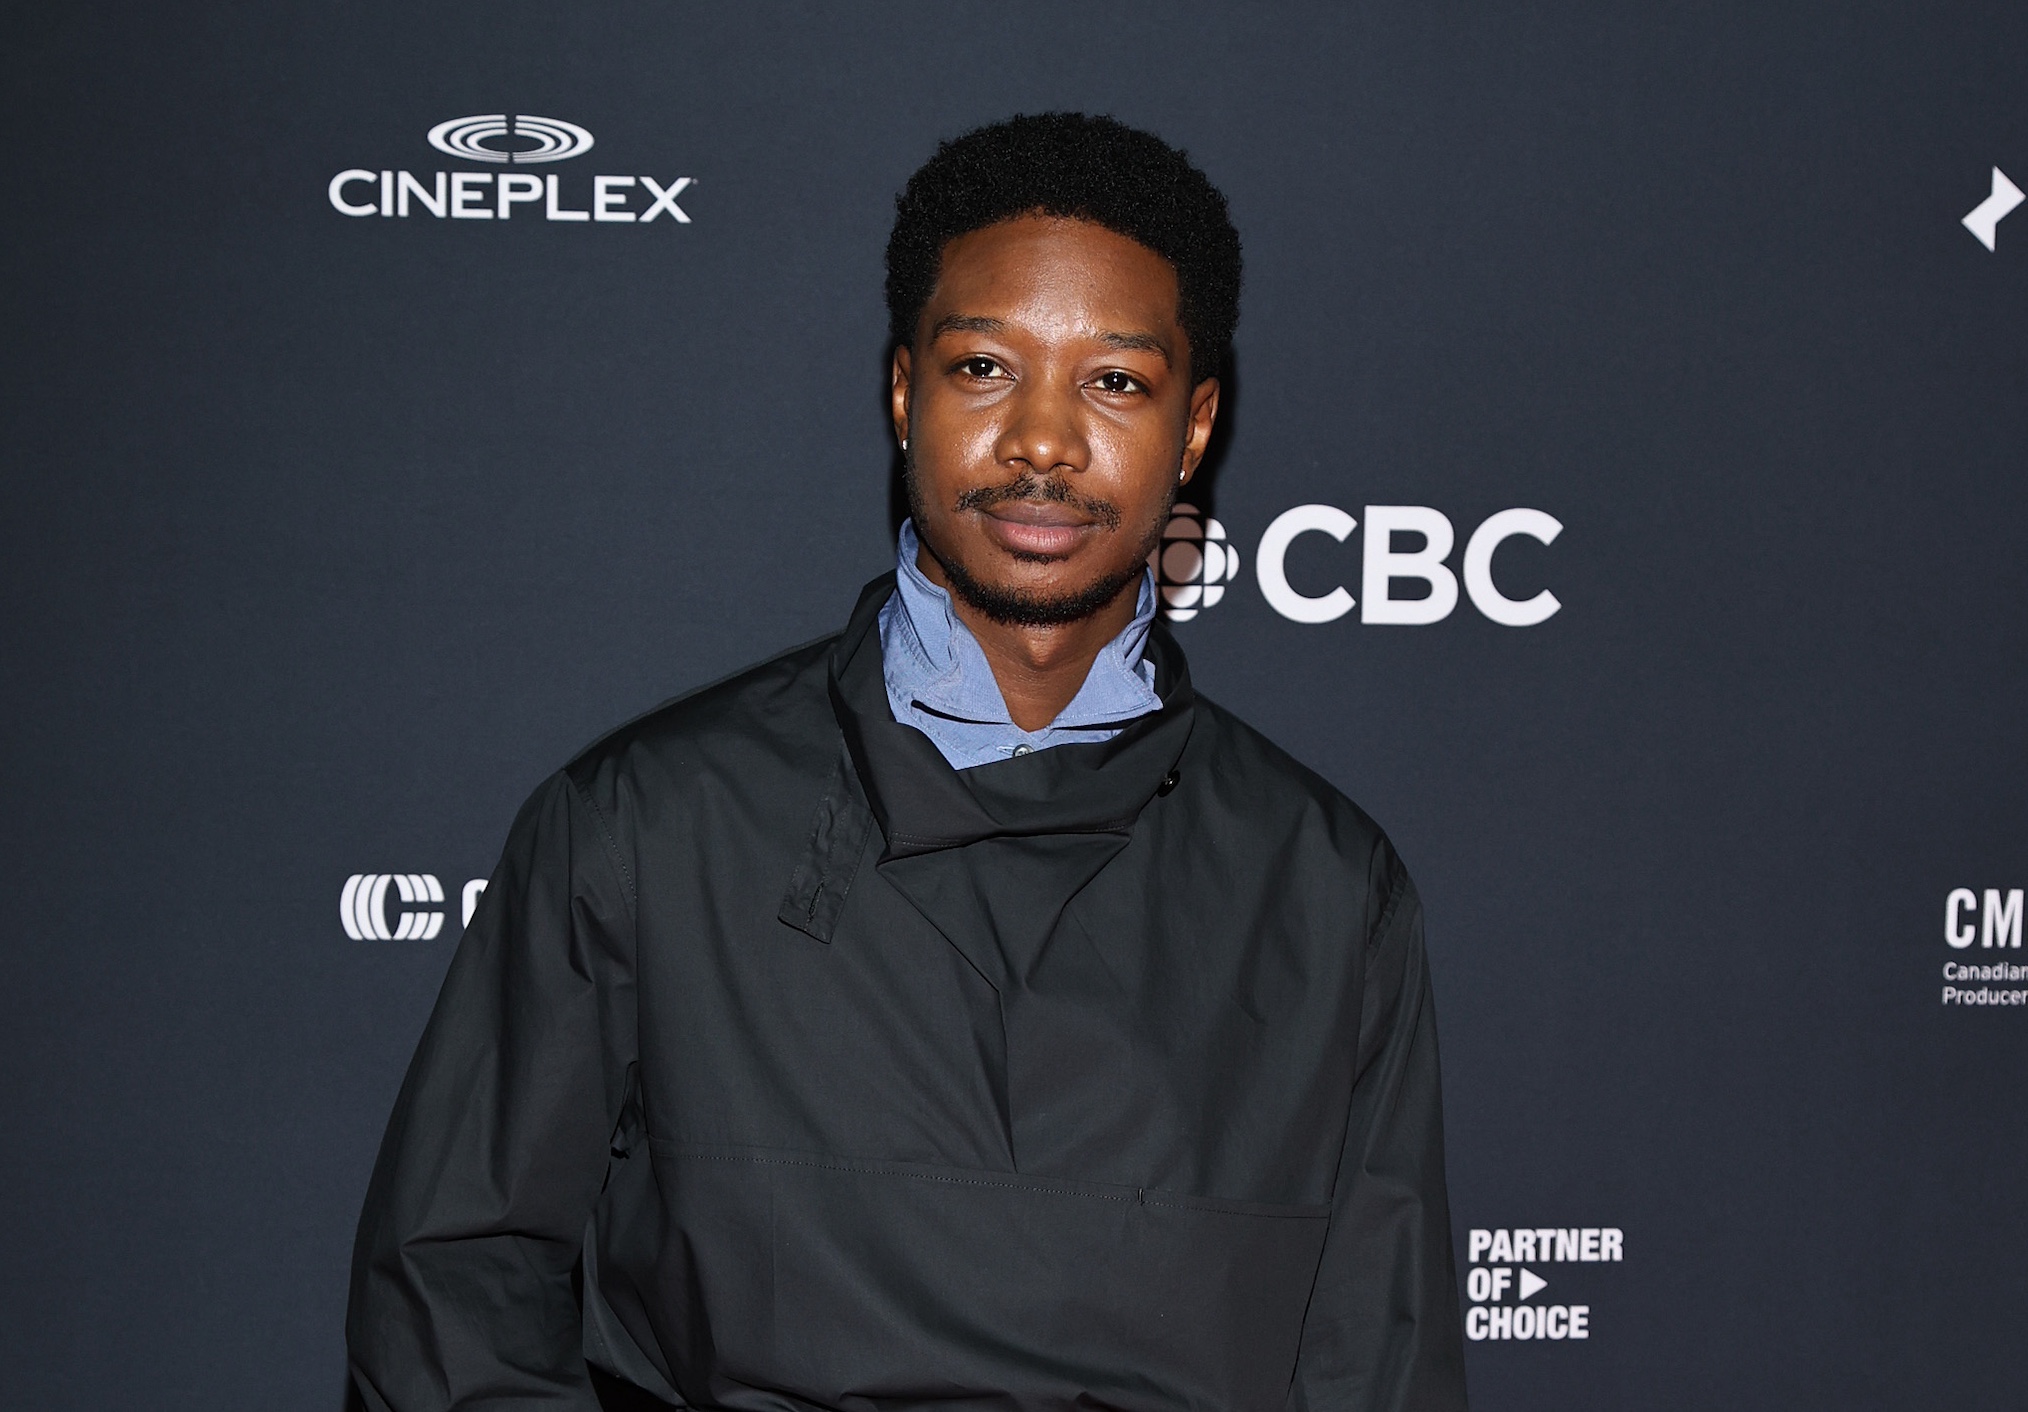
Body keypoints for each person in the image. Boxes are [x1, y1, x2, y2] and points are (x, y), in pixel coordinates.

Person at [347, 112, 1468, 1412]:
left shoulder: (1329, 893)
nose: (1042, 441)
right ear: (902, 392)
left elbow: (1376, 1374)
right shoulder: (643, 830)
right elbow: (450, 1300)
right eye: (986, 367)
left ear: (1197, 424)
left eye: (1113, 380)